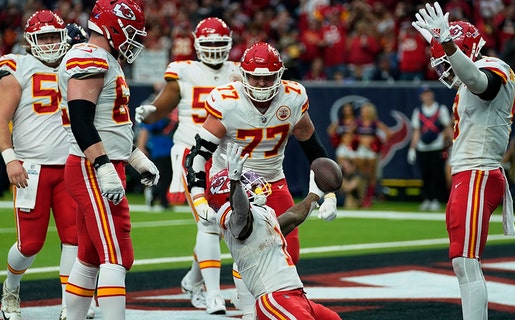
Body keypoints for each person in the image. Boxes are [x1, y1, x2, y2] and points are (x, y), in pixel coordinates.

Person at [183, 42, 338, 319]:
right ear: (244, 75)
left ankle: (255, 299)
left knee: (289, 252)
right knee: (251, 245)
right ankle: (248, 307)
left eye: (268, 77)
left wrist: (329, 194)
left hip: (272, 179)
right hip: (230, 180)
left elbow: (313, 150)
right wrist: (198, 195)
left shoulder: (292, 97)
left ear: (280, 75)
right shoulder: (228, 101)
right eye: (256, 77)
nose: (262, 83)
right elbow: (198, 153)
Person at [413, 2, 515, 319]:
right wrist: (441, 44)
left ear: (464, 48)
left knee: (465, 262)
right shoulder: (473, 74)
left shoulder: (493, 67)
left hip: (478, 173)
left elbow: (480, 84)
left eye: (447, 58)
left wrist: (448, 44)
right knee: (464, 263)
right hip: (471, 174)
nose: (443, 68)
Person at [58, 1, 159, 319]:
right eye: (132, 33)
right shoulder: (90, 56)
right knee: (117, 254)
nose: (135, 42)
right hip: (92, 166)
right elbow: (81, 120)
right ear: (114, 27)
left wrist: (133, 156)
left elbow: (109, 125)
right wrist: (103, 166)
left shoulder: (104, 58)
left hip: (100, 162)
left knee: (88, 255)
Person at [134, 17, 241, 314]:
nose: (216, 50)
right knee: (208, 223)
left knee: (224, 225)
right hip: (190, 151)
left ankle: (192, 280)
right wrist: (151, 111)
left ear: (229, 44)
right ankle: (214, 293)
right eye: (210, 44)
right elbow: (164, 105)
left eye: (221, 44)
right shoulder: (184, 70)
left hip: (226, 153)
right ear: (197, 45)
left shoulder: (238, 71)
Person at [0, 10, 77, 320]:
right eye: (44, 37)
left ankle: (72, 303)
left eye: (56, 36)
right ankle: (11, 288)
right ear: (30, 42)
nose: (51, 43)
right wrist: (10, 158)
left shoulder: (76, 63)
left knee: (74, 238)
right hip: (32, 168)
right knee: (30, 244)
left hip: (70, 166)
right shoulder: (18, 68)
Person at [205, 143, 342, 320]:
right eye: (246, 180)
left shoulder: (261, 214)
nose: (253, 183)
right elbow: (240, 210)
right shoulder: (233, 219)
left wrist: (314, 195)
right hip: (275, 299)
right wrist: (235, 182)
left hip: (296, 296)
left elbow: (293, 216)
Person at [407, 85, 452, 211]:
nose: (427, 96)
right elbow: (416, 131)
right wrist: (412, 148)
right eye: (424, 94)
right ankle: (427, 198)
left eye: (429, 93)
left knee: (436, 174)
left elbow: (447, 127)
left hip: (436, 146)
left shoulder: (440, 109)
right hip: (422, 147)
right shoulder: (418, 111)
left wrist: (454, 142)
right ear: (421, 97)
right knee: (425, 174)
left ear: (432, 94)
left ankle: (436, 199)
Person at [352, 102, 393, 208]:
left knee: (371, 175)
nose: (363, 112)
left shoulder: (375, 123)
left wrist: (379, 142)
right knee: (361, 174)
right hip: (361, 150)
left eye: (365, 110)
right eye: (362, 111)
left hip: (371, 151)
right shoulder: (358, 122)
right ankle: (361, 198)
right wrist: (357, 140)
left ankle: (368, 199)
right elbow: (349, 132)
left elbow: (389, 133)